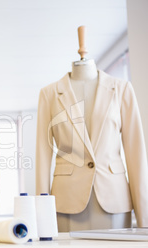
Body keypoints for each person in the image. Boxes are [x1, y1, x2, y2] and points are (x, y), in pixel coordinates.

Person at [35, 58, 148, 231]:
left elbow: (136, 154)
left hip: (113, 199)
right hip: (67, 201)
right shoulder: (49, 94)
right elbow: (42, 155)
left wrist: (145, 221)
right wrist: (42, 219)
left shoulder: (121, 89)